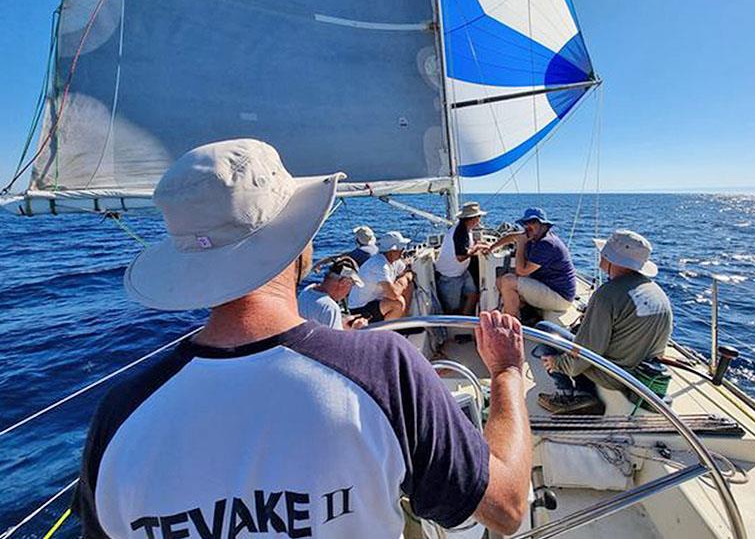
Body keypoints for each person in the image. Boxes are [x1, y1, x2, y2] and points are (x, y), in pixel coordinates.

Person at [74, 138, 532, 538]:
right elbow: (507, 506)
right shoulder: (383, 371)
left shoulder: (119, 417)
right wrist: (508, 371)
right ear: (300, 243)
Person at [535, 229, 673, 415]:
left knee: (543, 329)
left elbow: (586, 353)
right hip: (639, 375)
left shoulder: (607, 295)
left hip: (612, 374)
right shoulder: (658, 293)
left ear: (612, 259)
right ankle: (583, 393)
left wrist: (557, 363)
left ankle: (569, 395)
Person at [490, 208, 576, 322]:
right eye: (526, 223)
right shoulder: (535, 237)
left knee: (508, 281)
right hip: (547, 286)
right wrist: (491, 248)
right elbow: (511, 237)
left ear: (543, 224)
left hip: (560, 296)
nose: (528, 226)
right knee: (500, 281)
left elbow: (522, 271)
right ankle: (526, 314)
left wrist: (521, 244)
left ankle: (511, 325)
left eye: (533, 222)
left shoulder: (547, 243)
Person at [347, 231, 415, 323]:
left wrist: (405, 279)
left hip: (375, 300)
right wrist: (404, 279)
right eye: (401, 247)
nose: (403, 250)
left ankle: (402, 322)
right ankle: (389, 331)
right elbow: (393, 294)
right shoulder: (379, 265)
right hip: (360, 309)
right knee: (397, 302)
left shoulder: (394, 261)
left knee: (409, 287)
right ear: (392, 251)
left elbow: (405, 270)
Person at [435, 201, 489, 315]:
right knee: (451, 309)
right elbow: (460, 256)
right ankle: (456, 328)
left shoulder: (465, 229)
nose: (479, 220)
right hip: (450, 276)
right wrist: (478, 247)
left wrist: (478, 244)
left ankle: (465, 320)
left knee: (473, 295)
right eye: (479, 217)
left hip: (462, 272)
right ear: (473, 218)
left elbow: (466, 247)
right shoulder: (460, 232)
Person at [298, 256, 369, 330]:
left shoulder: (306, 290)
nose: (349, 291)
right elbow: (336, 341)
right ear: (343, 282)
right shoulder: (330, 308)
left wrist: (340, 323)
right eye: (352, 284)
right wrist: (355, 329)